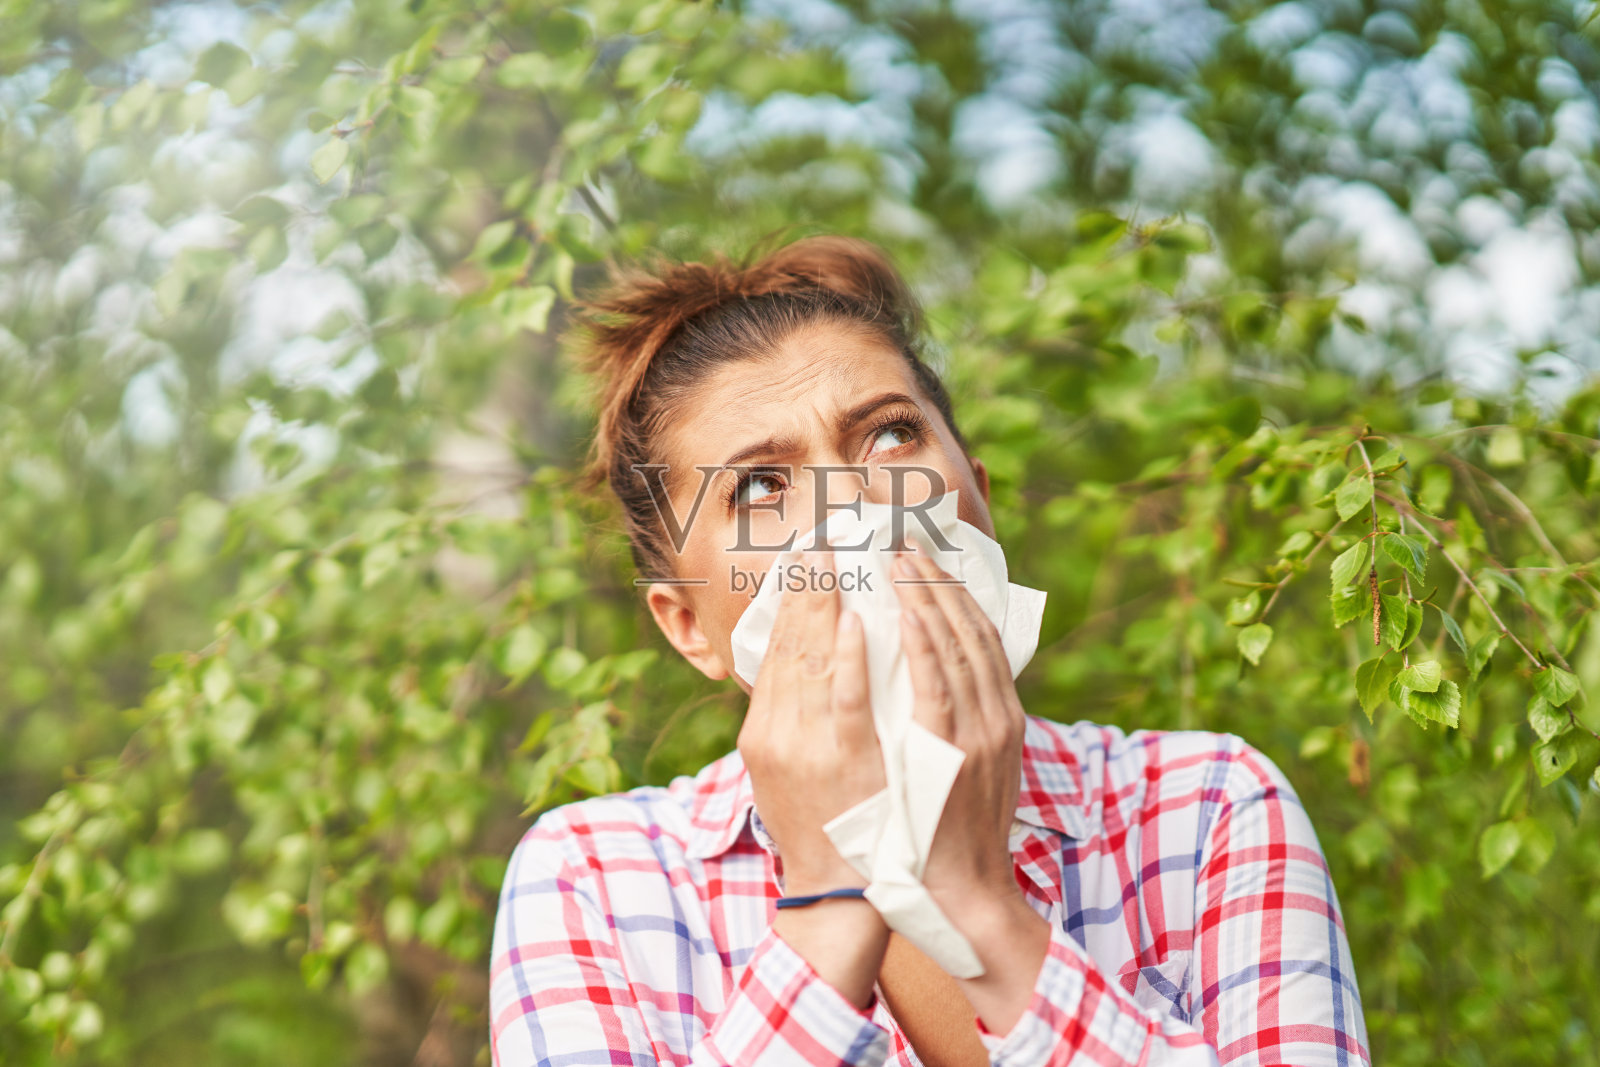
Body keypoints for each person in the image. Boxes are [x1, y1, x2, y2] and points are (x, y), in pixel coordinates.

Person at [487, 234, 1370, 1066]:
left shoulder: (1205, 806)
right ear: (688, 625)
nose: (851, 504)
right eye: (759, 485)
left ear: (978, 499)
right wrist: (827, 899)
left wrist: (982, 910)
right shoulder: (596, 877)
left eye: (888, 434)